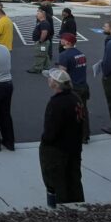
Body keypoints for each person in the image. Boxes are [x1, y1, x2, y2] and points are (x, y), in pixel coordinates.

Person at [39, 67, 85, 204]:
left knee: (56, 184)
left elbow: (51, 131)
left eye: (50, 78)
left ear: (55, 84)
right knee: (74, 181)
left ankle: (59, 210)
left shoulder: (56, 103)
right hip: (74, 147)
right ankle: (78, 205)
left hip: (57, 150)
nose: (48, 79)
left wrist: (45, 142)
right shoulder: (75, 98)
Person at [56, 33, 89, 143]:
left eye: (62, 39)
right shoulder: (81, 54)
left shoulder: (64, 55)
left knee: (71, 113)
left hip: (73, 89)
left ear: (68, 42)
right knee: (83, 111)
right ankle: (85, 135)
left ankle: (75, 136)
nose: (60, 41)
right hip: (83, 86)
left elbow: (62, 75)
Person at [28, 9, 54, 74]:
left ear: (42, 15)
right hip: (43, 42)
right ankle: (47, 67)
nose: (36, 15)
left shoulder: (44, 23)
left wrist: (40, 41)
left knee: (39, 55)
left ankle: (37, 69)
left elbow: (44, 32)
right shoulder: (41, 22)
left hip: (42, 43)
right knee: (45, 55)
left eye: (38, 13)